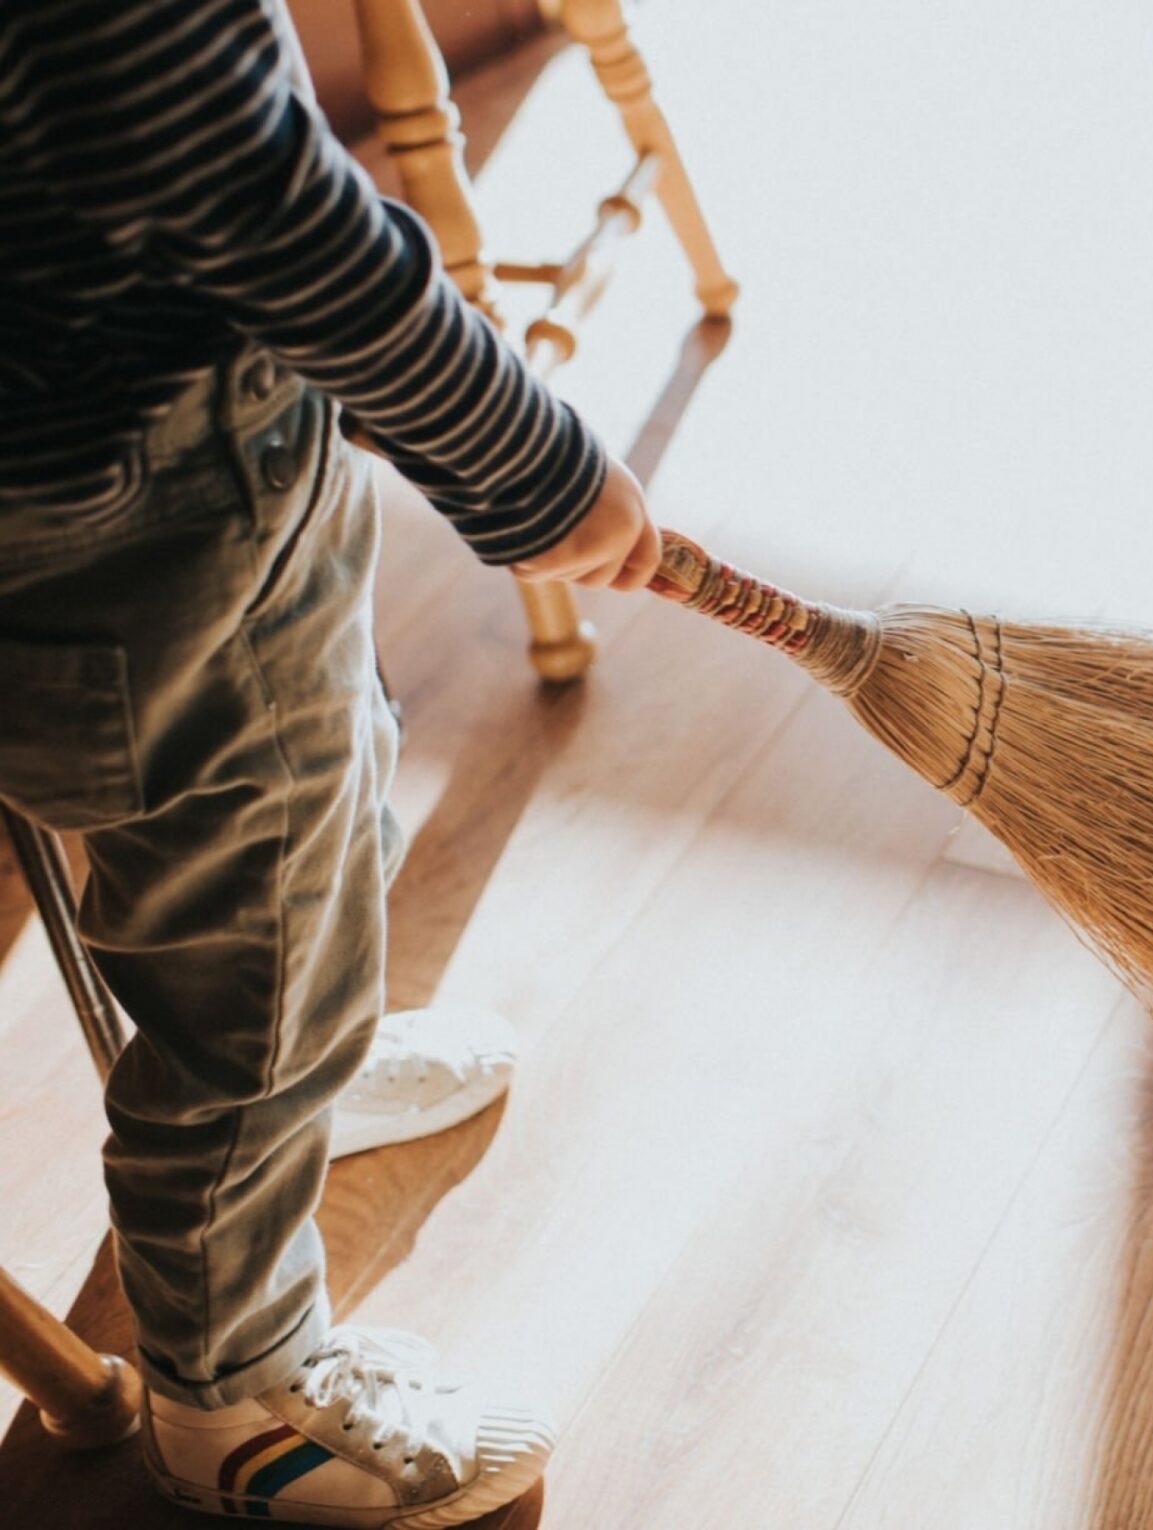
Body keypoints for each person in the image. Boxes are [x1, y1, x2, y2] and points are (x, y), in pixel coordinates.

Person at [0, 0, 655, 1520]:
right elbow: (259, 197)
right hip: (146, 522)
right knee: (258, 946)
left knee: (308, 817)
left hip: (109, 477)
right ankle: (235, 1387)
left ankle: (313, 1068)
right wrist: (529, 459)